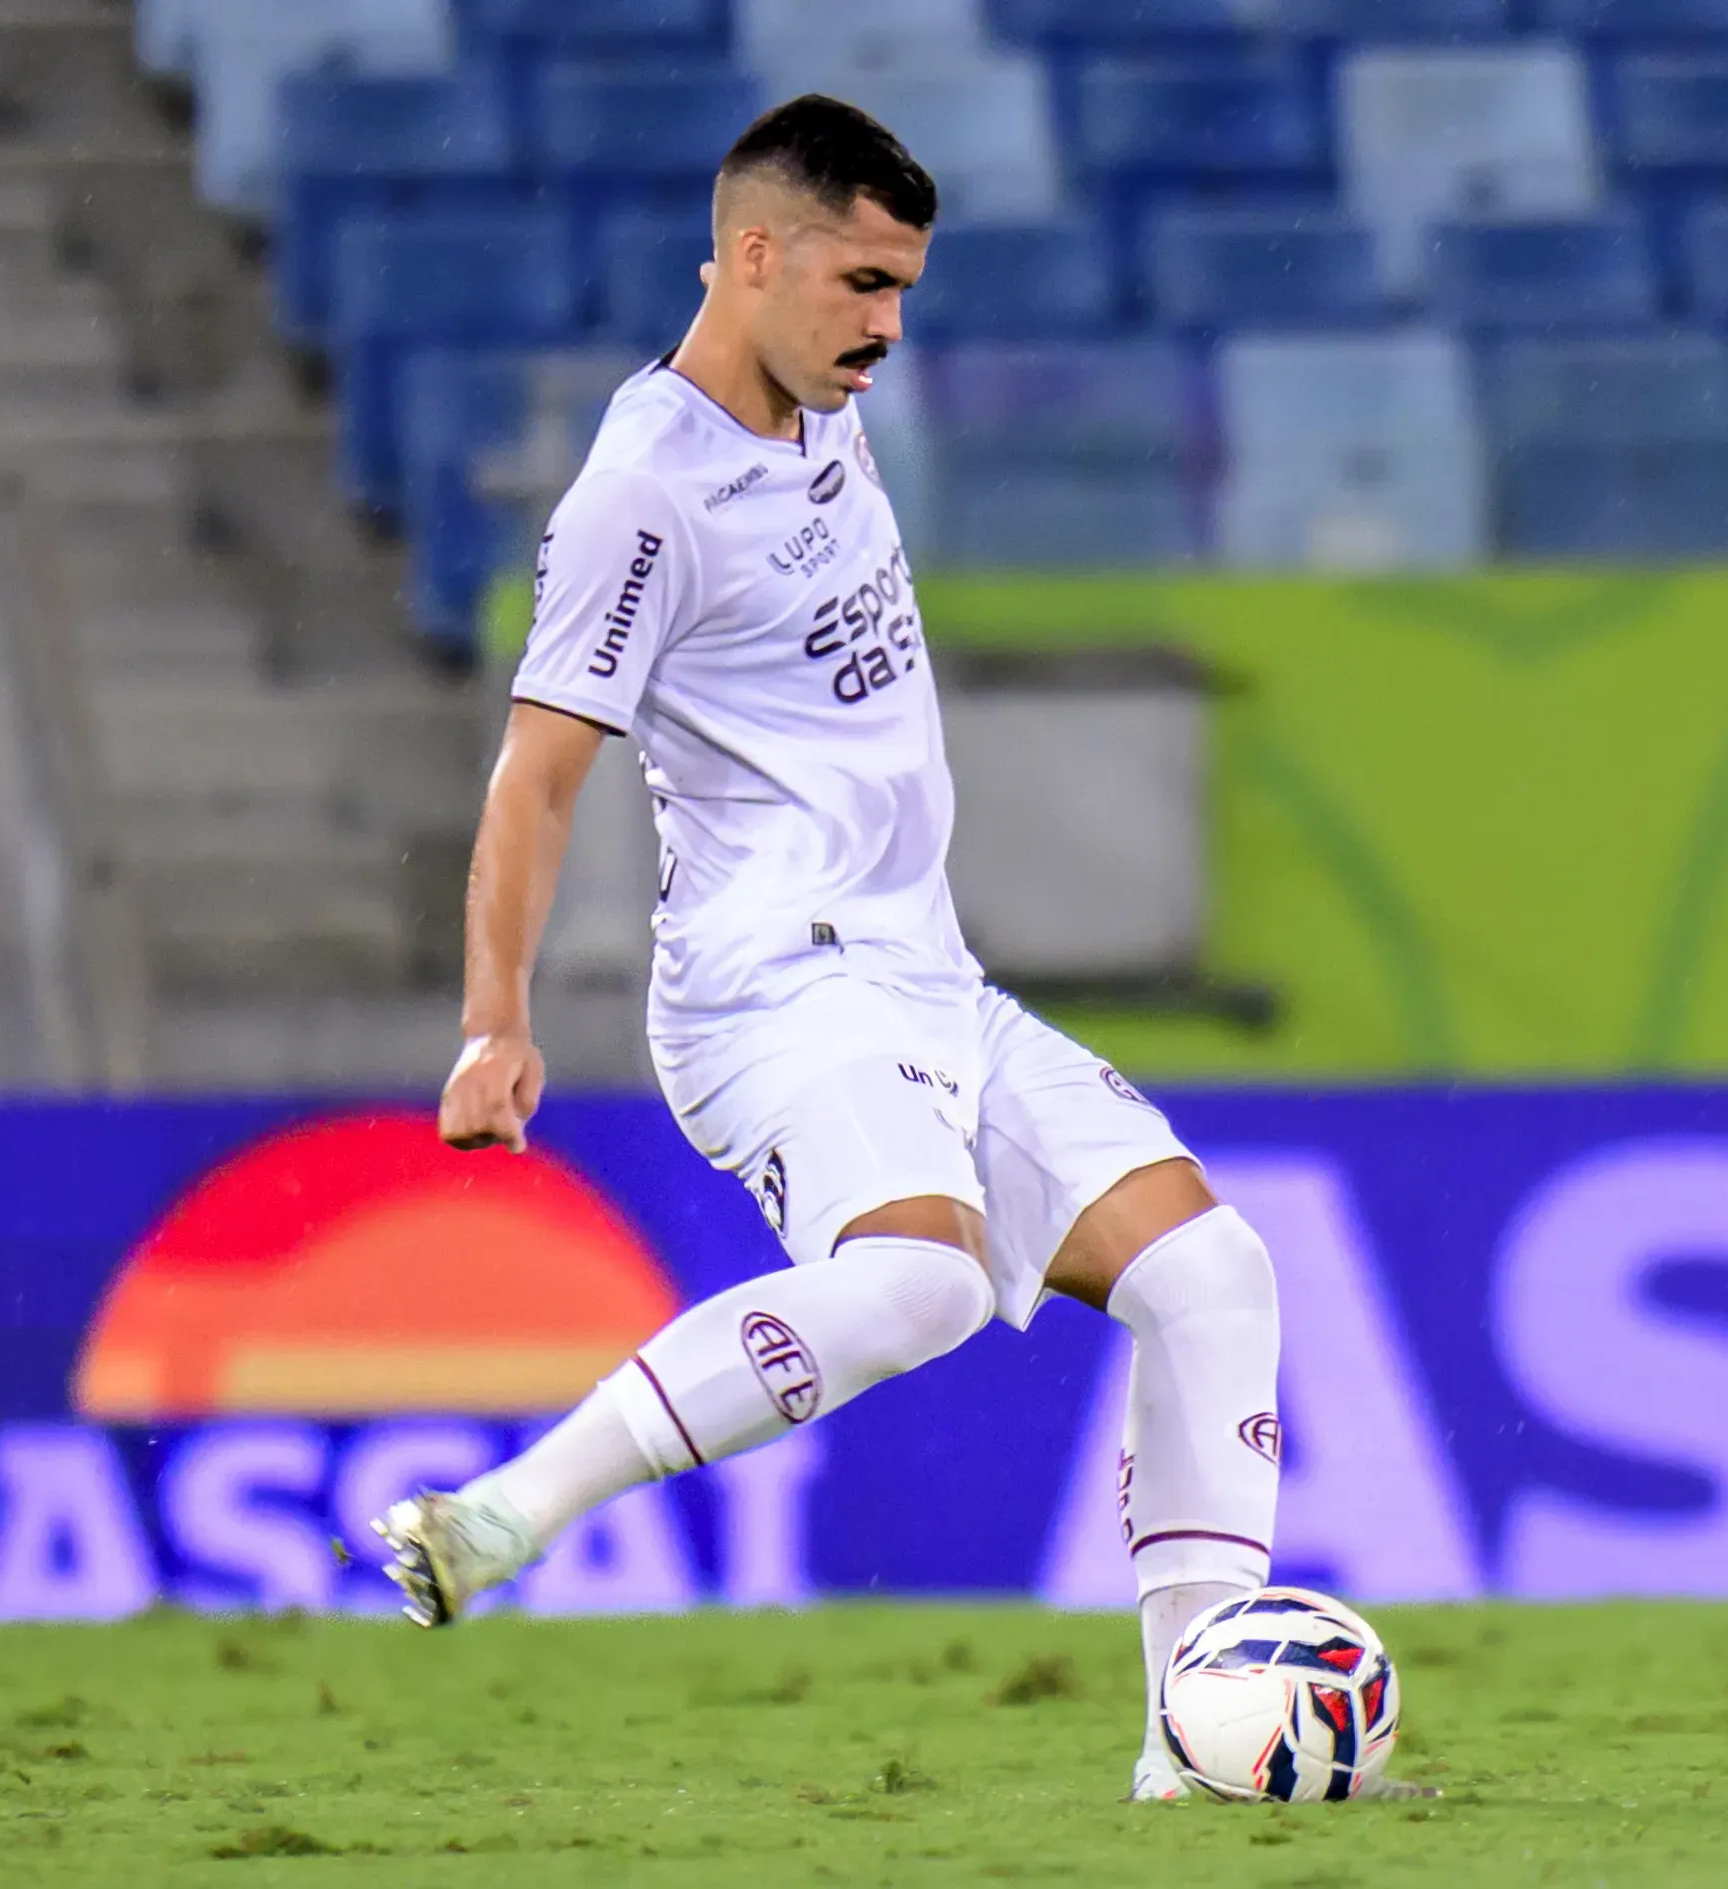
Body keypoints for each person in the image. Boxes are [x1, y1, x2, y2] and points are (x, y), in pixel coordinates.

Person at [372, 95, 1299, 1805]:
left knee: (1213, 1278)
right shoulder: (640, 496)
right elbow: (535, 773)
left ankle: (1202, 1738)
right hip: (767, 984)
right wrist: (492, 1019)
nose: (886, 324)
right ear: (752, 257)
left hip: (922, 976)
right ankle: (513, 1513)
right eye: (860, 281)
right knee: (927, 1281)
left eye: (905, 289)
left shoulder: (819, 407)